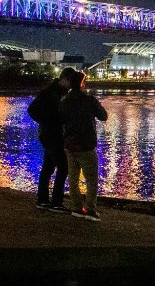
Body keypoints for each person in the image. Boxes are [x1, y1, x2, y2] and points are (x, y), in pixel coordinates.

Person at [59, 69, 107, 221]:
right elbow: (103, 116)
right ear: (82, 83)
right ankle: (91, 210)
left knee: (73, 178)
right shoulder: (90, 100)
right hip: (86, 145)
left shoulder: (64, 102)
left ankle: (77, 208)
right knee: (91, 179)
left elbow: (60, 121)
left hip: (70, 145)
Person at [26, 68, 76, 212]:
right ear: (64, 79)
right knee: (63, 167)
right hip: (51, 134)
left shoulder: (58, 92)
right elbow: (32, 110)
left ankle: (42, 200)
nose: (70, 86)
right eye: (70, 82)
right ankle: (56, 202)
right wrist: (48, 121)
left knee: (48, 167)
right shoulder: (49, 92)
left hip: (51, 134)